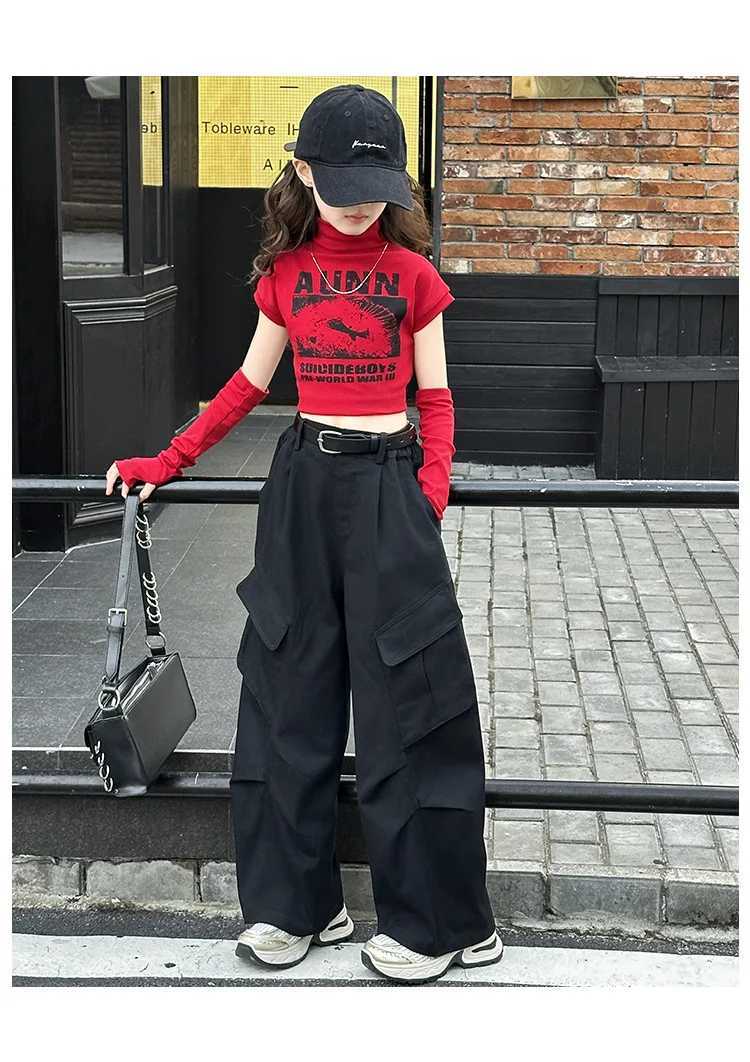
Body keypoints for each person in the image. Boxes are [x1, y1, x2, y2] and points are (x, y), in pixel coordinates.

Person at [105, 84, 503, 985]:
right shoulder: (285, 275)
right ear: (303, 172)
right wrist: (167, 459)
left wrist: (428, 497)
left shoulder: (413, 277)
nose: (361, 204)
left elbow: (438, 398)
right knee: (286, 689)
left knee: (411, 699)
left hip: (388, 489)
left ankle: (444, 923)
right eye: (343, 187)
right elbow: (247, 387)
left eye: (376, 188)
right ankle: (297, 907)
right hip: (302, 488)